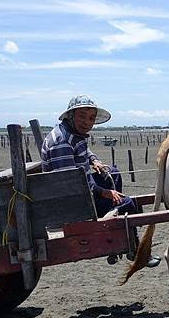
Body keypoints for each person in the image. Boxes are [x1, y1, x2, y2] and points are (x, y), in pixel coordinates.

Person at [41, 94, 160, 267]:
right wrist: (104, 192)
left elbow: (84, 150)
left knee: (113, 172)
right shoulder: (62, 142)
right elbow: (70, 184)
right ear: (70, 116)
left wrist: (94, 161)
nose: (87, 122)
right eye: (82, 116)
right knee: (127, 204)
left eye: (91, 118)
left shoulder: (70, 133)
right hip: (70, 203)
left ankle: (112, 212)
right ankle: (133, 248)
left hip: (77, 191)